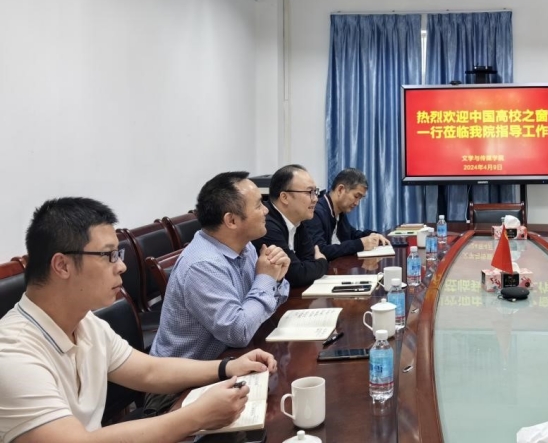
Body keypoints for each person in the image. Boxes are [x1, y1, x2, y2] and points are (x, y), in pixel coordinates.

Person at [0, 197, 278, 442]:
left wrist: (228, 367)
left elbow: (149, 372)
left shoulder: (86, 324)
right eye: (109, 255)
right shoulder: (13, 353)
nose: (121, 266)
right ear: (62, 265)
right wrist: (196, 417)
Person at [151, 171, 291, 362]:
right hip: (186, 375)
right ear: (231, 220)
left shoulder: (245, 246)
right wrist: (266, 279)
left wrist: (277, 278)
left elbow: (271, 303)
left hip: (230, 359)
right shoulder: (203, 266)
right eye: (259, 205)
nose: (266, 210)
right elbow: (239, 333)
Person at [252, 164, 328, 287]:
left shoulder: (299, 221)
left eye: (315, 192)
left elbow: (309, 259)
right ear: (284, 197)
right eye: (309, 192)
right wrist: (322, 262)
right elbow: (296, 275)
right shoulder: (266, 225)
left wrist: (313, 265)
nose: (315, 199)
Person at [305, 168, 389, 261]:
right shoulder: (315, 212)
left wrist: (373, 235)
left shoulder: (340, 211)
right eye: (356, 196)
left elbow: (352, 234)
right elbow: (320, 250)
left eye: (360, 199)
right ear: (340, 190)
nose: (357, 203)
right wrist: (360, 244)